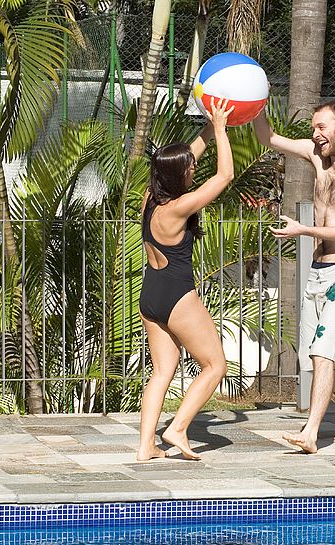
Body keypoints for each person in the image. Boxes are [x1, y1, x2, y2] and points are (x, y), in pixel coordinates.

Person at [252, 100, 335, 453]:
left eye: (321, 127)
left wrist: (302, 231)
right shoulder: (315, 157)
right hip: (317, 274)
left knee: (323, 355)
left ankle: (310, 433)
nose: (315, 134)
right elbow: (268, 137)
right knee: (314, 358)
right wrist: (256, 100)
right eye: (313, 128)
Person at [136, 98, 235, 462]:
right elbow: (224, 176)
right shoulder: (179, 208)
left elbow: (181, 157)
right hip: (178, 294)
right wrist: (222, 133)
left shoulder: (151, 198)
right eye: (191, 168)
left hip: (151, 295)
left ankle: (146, 446)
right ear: (181, 175)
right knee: (215, 365)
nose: (194, 168)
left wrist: (212, 125)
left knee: (163, 370)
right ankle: (177, 429)